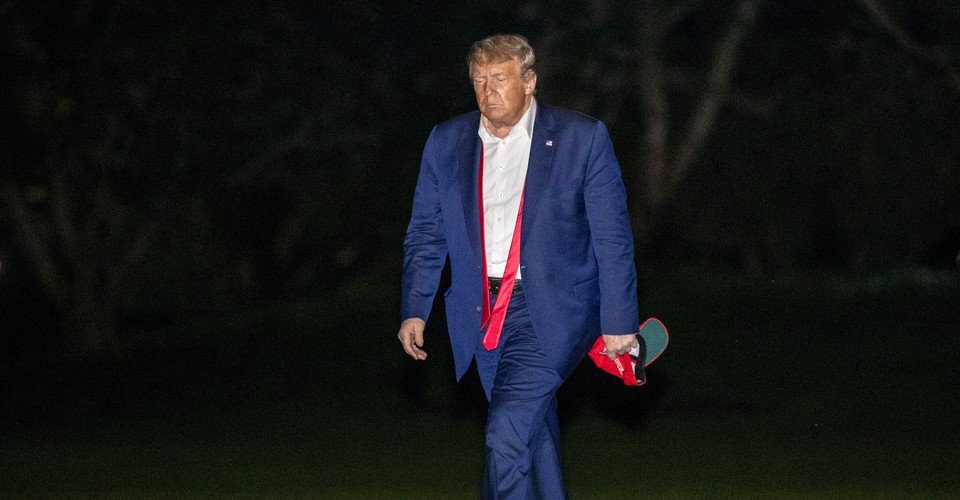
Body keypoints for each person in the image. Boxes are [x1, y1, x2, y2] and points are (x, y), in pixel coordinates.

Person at [398, 34, 639, 499]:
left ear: (529, 81)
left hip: (550, 308)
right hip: (482, 311)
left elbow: (612, 239)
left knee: (506, 432)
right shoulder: (447, 141)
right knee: (532, 438)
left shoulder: (581, 138)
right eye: (479, 80)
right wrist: (415, 307)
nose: (488, 91)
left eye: (500, 78)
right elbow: (427, 231)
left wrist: (619, 321)